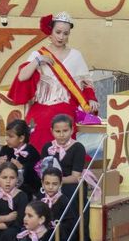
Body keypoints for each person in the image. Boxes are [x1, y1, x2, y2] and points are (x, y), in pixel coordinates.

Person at [8, 10, 97, 149]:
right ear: (51, 32)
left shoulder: (75, 56)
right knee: (33, 127)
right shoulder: (38, 54)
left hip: (65, 104)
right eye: (58, 32)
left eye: (65, 34)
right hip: (40, 105)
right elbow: (22, 76)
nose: (61, 37)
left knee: (59, 124)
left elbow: (87, 84)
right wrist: (38, 60)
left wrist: (91, 99)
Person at [0, 118, 41, 196]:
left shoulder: (32, 152)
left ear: (21, 138)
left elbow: (36, 180)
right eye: (6, 135)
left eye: (11, 136)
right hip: (4, 190)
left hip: (25, 192)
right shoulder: (5, 150)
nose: (6, 139)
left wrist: (22, 168)